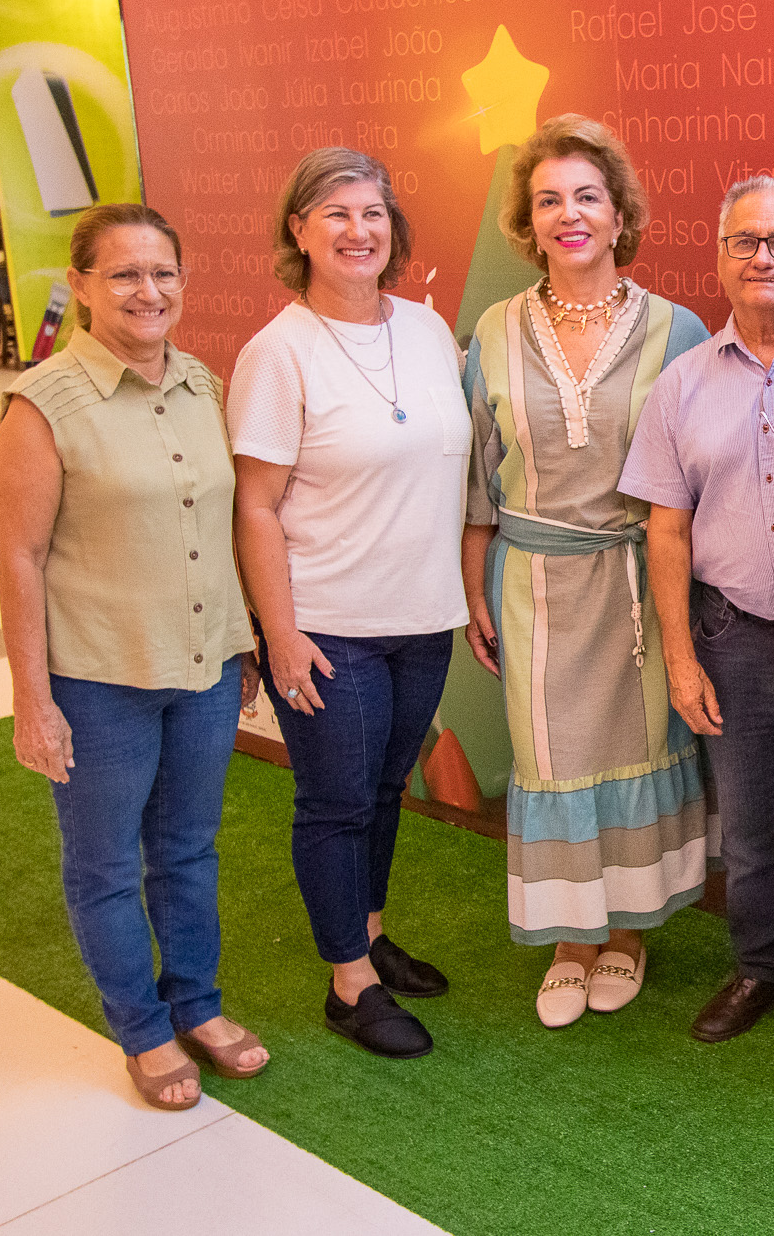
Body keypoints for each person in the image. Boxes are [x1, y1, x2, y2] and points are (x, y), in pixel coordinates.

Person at [0, 203, 267, 1110]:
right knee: (106, 864)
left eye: (163, 273)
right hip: (98, 678)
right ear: (80, 284)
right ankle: (144, 1029)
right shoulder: (43, 405)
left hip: (205, 669)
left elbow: (226, 524)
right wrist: (33, 699)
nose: (148, 291)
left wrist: (243, 638)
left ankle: (198, 1005)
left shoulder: (204, 384)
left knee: (187, 850)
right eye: (123, 274)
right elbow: (20, 557)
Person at [460, 114, 710, 1028]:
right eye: (548, 200)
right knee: (548, 755)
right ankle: (570, 940)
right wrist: (472, 587)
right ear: (528, 222)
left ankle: (629, 933)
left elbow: (699, 477)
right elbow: (478, 474)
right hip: (532, 581)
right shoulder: (493, 330)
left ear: (618, 215)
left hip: (642, 584)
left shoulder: (679, 330)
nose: (569, 214)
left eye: (587, 197)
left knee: (635, 749)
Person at [230, 148, 468, 1060]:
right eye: (336, 214)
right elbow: (255, 505)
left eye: (372, 214)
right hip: (329, 627)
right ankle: (348, 983)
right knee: (334, 801)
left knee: (382, 788)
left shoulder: (427, 330)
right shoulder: (278, 352)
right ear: (299, 230)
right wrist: (279, 632)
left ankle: (367, 932)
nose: (358, 231)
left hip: (422, 619)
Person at [618, 176, 774, 1058]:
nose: (763, 258)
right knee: (750, 831)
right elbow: (666, 529)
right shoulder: (682, 383)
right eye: (745, 242)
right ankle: (760, 965)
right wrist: (681, 659)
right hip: (731, 638)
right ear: (720, 258)